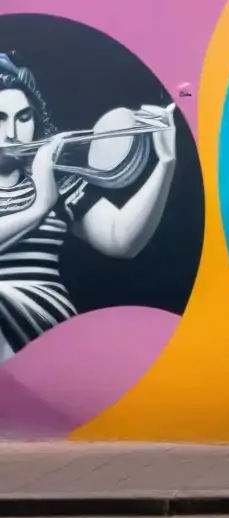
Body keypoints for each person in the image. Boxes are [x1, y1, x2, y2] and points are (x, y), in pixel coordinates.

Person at [0, 53, 178, 362]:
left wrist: (165, 164)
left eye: (24, 117)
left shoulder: (57, 180)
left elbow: (121, 240)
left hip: (44, 318)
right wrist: (40, 205)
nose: (13, 133)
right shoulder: (47, 191)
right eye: (0, 119)